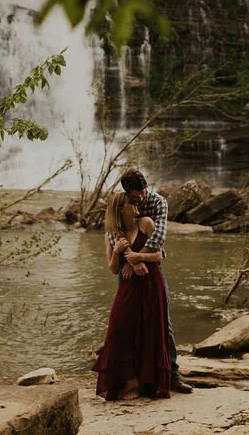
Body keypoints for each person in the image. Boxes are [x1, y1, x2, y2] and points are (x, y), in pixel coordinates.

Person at [107, 169, 193, 394]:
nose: (141, 199)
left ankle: (172, 375)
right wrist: (130, 263)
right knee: (126, 322)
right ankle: (132, 378)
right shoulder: (121, 202)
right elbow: (114, 233)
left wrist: (137, 258)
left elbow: (158, 240)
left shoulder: (157, 202)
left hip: (150, 267)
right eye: (136, 197)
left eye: (143, 193)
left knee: (162, 321)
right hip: (127, 269)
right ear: (127, 193)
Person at [92, 193, 172, 400]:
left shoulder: (146, 223)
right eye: (132, 204)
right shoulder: (111, 234)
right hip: (127, 287)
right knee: (119, 330)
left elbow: (159, 255)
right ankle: (129, 380)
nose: (137, 206)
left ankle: (146, 383)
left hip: (151, 283)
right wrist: (118, 252)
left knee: (150, 330)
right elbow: (112, 268)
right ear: (120, 209)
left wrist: (138, 258)